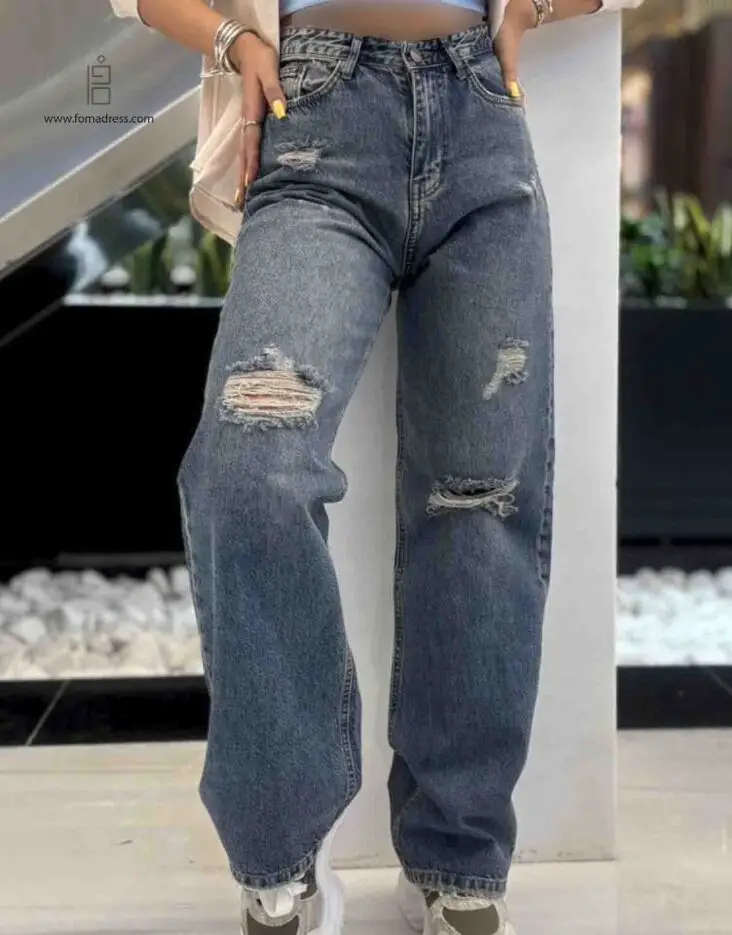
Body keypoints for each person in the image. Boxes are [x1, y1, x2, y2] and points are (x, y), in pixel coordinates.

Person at [112, 0, 641, 932]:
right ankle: (282, 844)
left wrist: (534, 9)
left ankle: (455, 852)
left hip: (481, 113)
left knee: (480, 497)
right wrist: (233, 40)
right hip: (313, 125)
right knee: (248, 470)